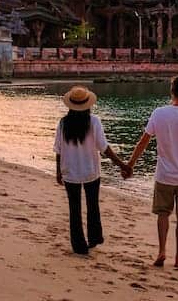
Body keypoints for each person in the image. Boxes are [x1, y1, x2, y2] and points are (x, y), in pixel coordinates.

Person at [126, 75, 178, 268]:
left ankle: (161, 251)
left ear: (171, 91)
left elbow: (143, 142)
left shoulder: (159, 113)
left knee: (163, 214)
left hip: (164, 175)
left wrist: (131, 164)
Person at [54, 86, 130, 255]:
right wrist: (122, 165)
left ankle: (79, 246)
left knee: (74, 209)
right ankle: (94, 238)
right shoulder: (94, 121)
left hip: (70, 172)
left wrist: (58, 171)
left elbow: (58, 150)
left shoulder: (63, 123)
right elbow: (104, 148)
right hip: (91, 171)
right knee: (92, 205)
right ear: (87, 104)